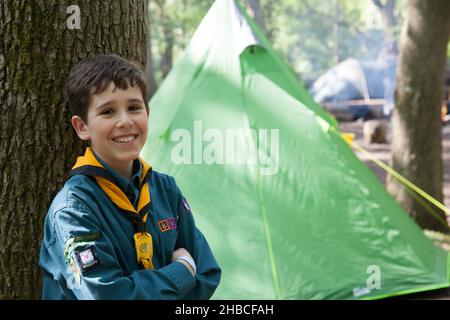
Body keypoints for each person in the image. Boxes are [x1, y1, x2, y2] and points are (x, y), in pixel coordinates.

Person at [39, 54, 221, 299]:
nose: (125, 121)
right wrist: (182, 270)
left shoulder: (165, 189)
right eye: (108, 111)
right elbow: (108, 295)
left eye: (134, 108)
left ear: (147, 112)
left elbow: (207, 273)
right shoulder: (73, 210)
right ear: (82, 127)